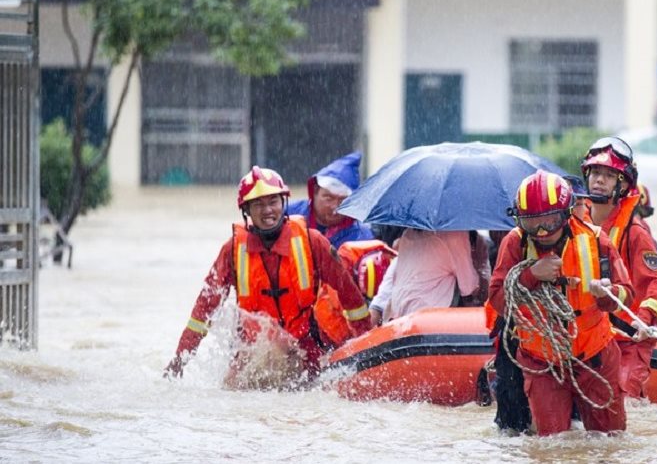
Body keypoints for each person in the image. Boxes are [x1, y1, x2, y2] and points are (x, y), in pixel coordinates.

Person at [164, 166, 373, 386]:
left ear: (283, 203)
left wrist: (367, 344)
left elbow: (350, 296)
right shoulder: (233, 251)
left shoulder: (313, 242)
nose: (267, 211)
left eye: (273, 202)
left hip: (305, 355)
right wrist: (180, 359)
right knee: (234, 387)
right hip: (251, 356)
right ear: (246, 210)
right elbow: (203, 311)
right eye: (258, 204)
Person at [488, 170, 633, 436]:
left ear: (566, 214)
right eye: (533, 223)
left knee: (611, 441)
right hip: (542, 362)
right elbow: (498, 298)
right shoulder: (515, 243)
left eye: (550, 221)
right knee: (552, 445)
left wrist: (608, 296)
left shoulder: (596, 241)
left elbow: (627, 294)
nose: (542, 231)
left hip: (595, 358)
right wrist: (531, 275)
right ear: (521, 220)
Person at [581, 137, 657, 399]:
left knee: (621, 401)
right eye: (595, 172)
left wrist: (642, 322)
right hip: (589, 337)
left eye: (609, 176)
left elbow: (656, 285)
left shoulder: (635, 231)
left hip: (629, 339)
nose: (599, 180)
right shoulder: (575, 224)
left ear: (622, 185)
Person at [368, 229, 483, 325]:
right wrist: (479, 261)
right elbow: (469, 288)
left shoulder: (408, 234)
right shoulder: (456, 235)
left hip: (398, 320)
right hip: (430, 322)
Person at [285, 151, 374, 248]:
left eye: (343, 201)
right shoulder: (287, 215)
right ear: (315, 191)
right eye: (328, 198)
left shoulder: (362, 237)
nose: (335, 206)